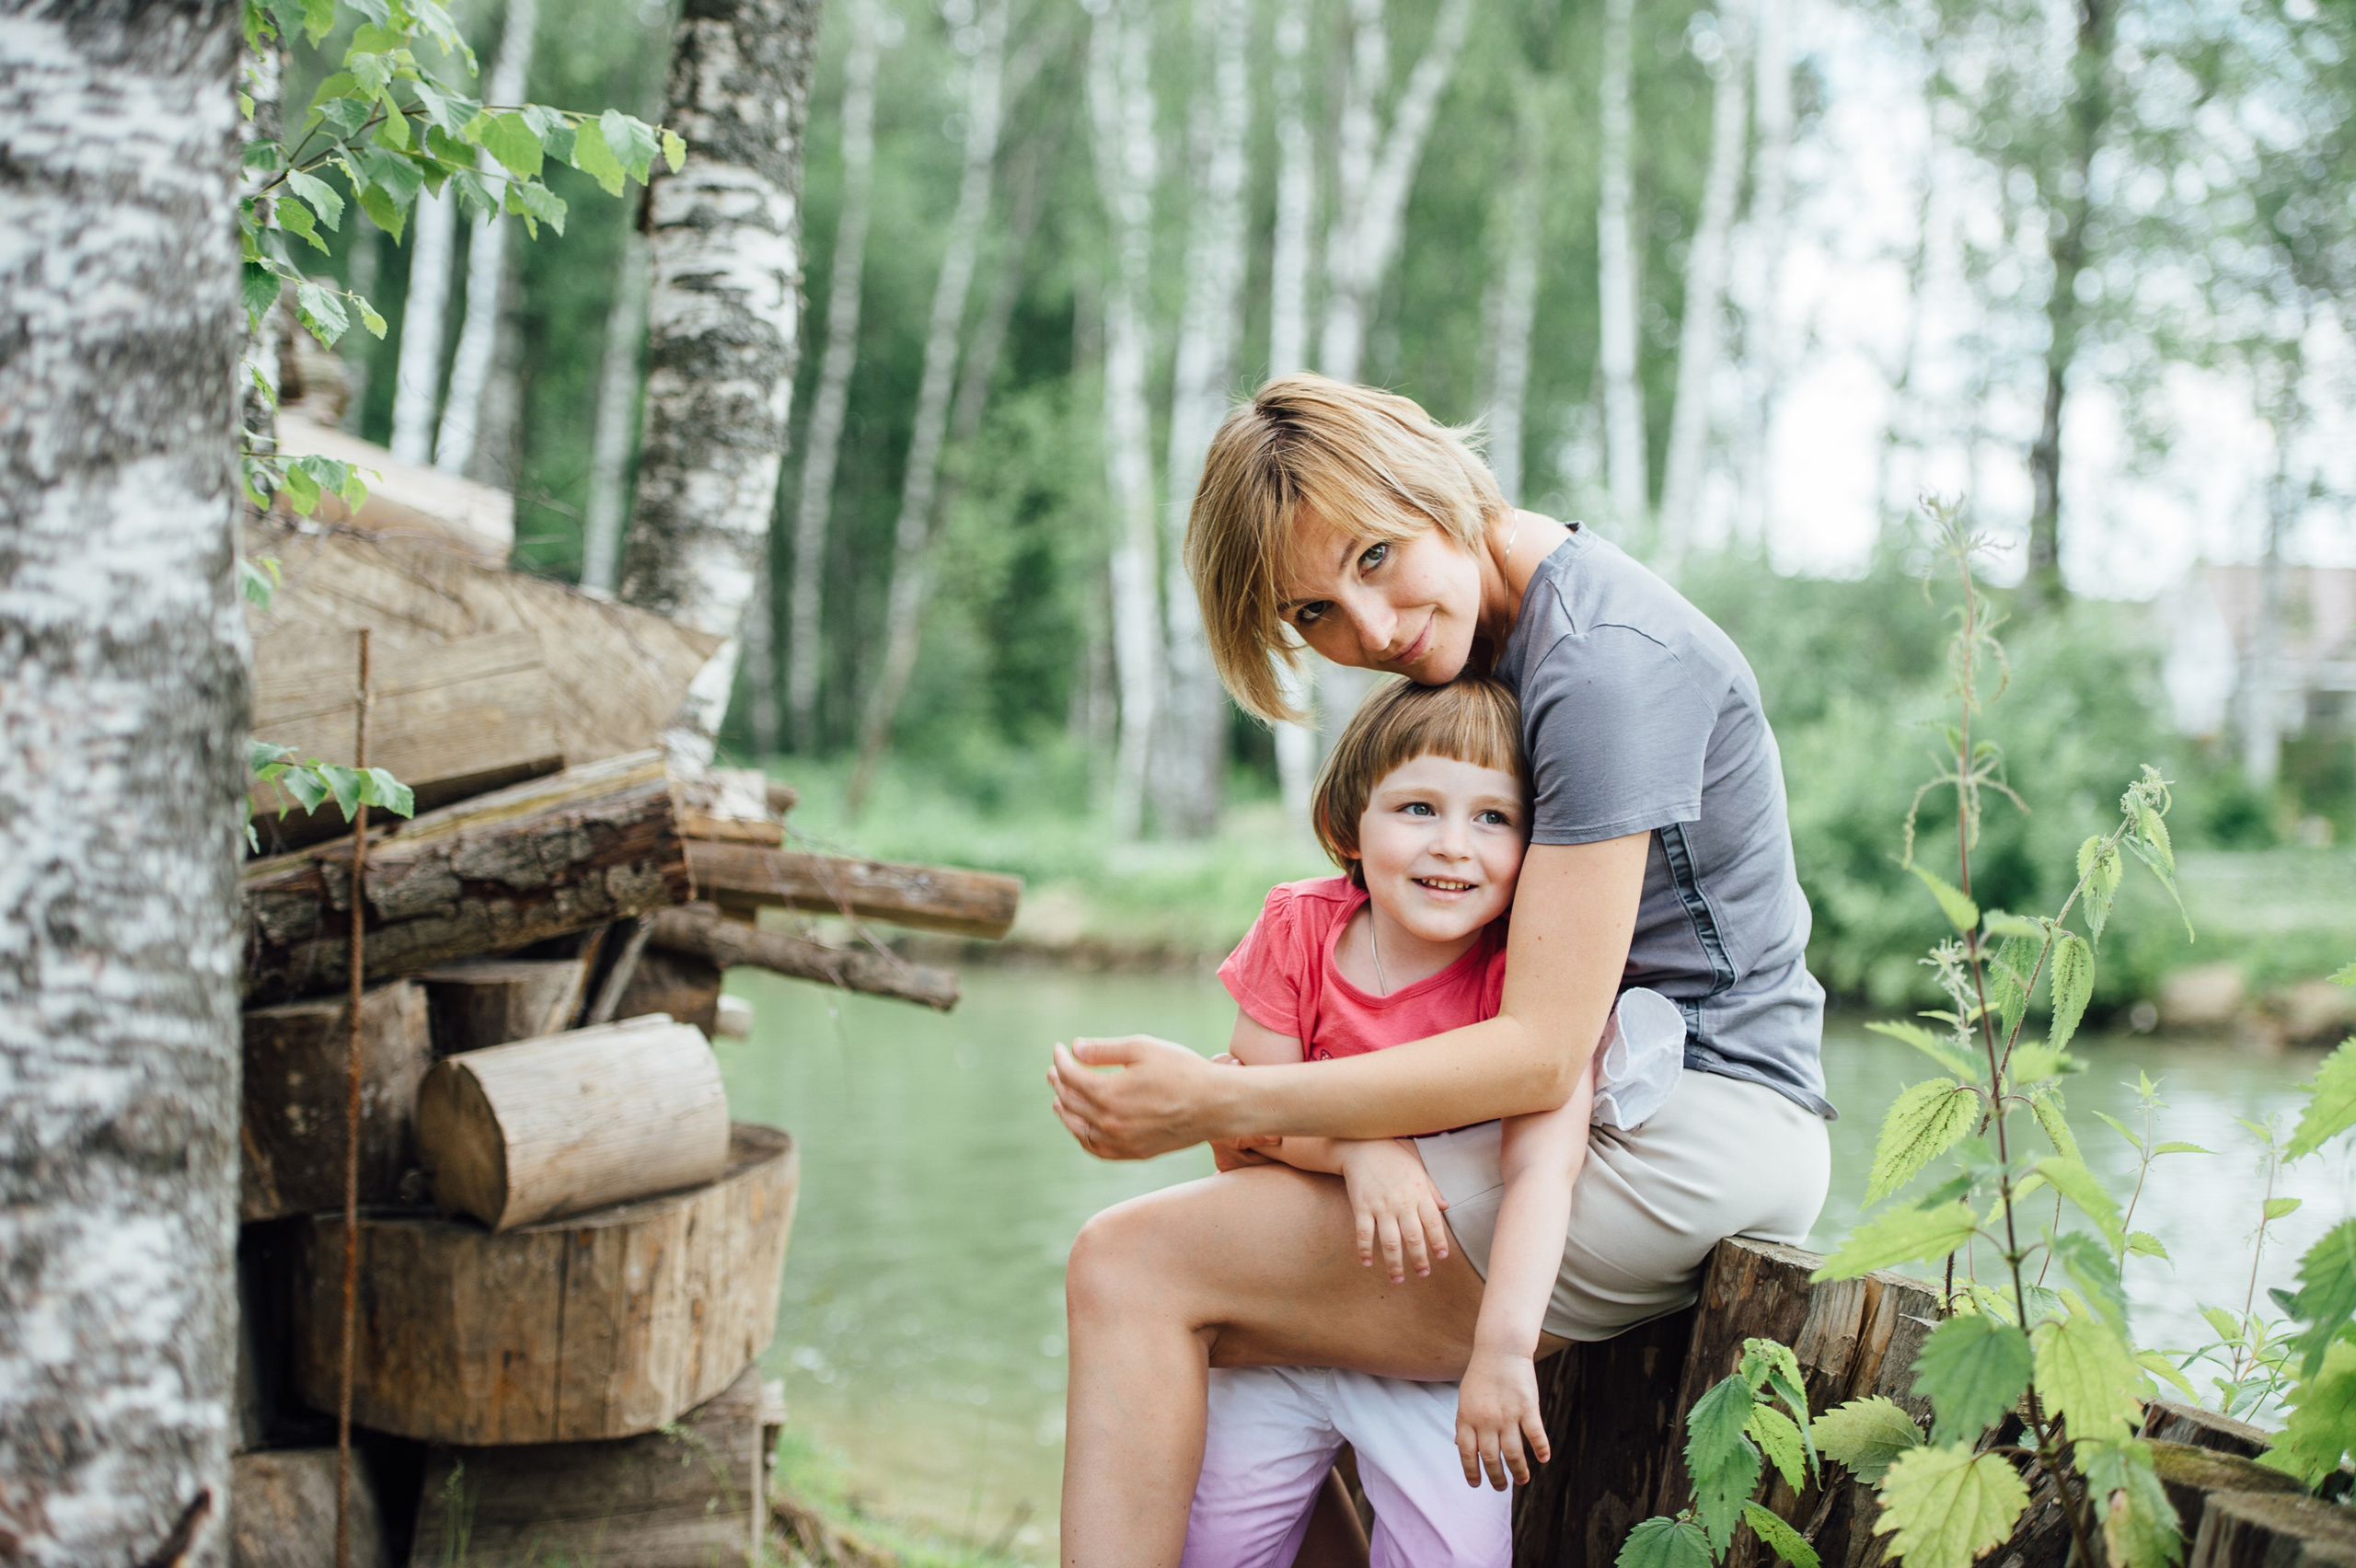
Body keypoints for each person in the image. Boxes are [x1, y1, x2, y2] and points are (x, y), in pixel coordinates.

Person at [1049, 375, 1833, 1565]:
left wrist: (1222, 1099)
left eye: (1376, 555)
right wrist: (1292, 1123)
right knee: (1220, 1290)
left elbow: (1541, 1052)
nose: (1368, 631)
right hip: (1601, 1110)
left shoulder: (1608, 664)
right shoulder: (1502, 640)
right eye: (1312, 614)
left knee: (1135, 1266)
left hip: (1693, 1124)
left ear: (1438, 484)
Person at [1182, 673, 1683, 1568]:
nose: (1454, 846)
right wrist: (1364, 1151)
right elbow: (1240, 1131)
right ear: (1348, 823)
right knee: (1219, 1550)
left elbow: (1542, 1171)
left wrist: (1500, 1353)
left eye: (1494, 818)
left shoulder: (1524, 982)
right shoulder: (1297, 927)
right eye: (1418, 806)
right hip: (1279, 1328)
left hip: (1431, 1354)